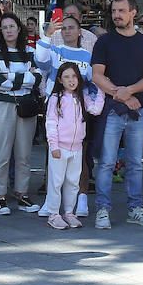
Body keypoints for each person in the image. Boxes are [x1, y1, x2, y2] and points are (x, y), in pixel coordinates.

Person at [91, 0, 143, 229]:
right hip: (112, 110)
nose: (116, 15)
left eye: (121, 11)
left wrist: (127, 92)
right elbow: (97, 75)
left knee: (135, 163)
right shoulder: (105, 42)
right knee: (107, 162)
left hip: (138, 111)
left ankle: (135, 208)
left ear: (133, 13)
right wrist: (120, 94)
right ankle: (102, 209)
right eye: (114, 11)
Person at [0, 13, 40, 215]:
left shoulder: (30, 52)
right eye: (5, 27)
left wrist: (10, 77)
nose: (9, 30)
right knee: (2, 154)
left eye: (12, 26)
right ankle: (0, 197)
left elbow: (37, 78)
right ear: (1, 30)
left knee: (24, 154)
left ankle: (22, 194)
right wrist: (23, 79)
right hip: (3, 107)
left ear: (19, 29)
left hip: (26, 107)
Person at [43, 62, 104, 229]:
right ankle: (54, 214)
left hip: (76, 147)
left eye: (74, 76)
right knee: (56, 182)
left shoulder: (82, 97)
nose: (71, 80)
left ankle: (69, 212)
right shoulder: (56, 99)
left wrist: (101, 90)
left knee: (73, 182)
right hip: (59, 148)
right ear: (60, 80)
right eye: (67, 77)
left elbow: (96, 109)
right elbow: (51, 122)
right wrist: (53, 146)